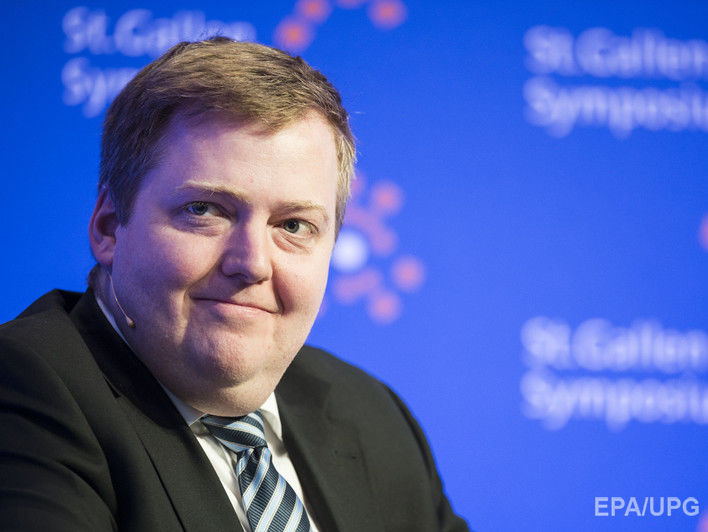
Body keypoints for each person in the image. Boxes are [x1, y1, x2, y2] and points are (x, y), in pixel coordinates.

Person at [0, 37, 468, 532]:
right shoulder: (26, 391)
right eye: (205, 210)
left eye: (293, 225)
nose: (252, 264)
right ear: (110, 227)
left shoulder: (374, 417)